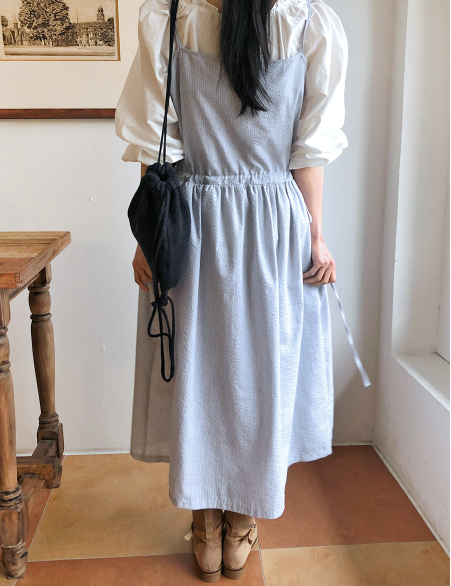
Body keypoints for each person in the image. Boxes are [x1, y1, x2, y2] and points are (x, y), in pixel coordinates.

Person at [115, 0, 365, 581]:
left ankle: (208, 523)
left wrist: (150, 238)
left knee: (200, 371)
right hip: (273, 225)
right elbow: (309, 149)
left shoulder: (172, 19)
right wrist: (315, 235)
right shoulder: (305, 23)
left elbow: (156, 145)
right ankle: (237, 519)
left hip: (194, 222)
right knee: (260, 374)